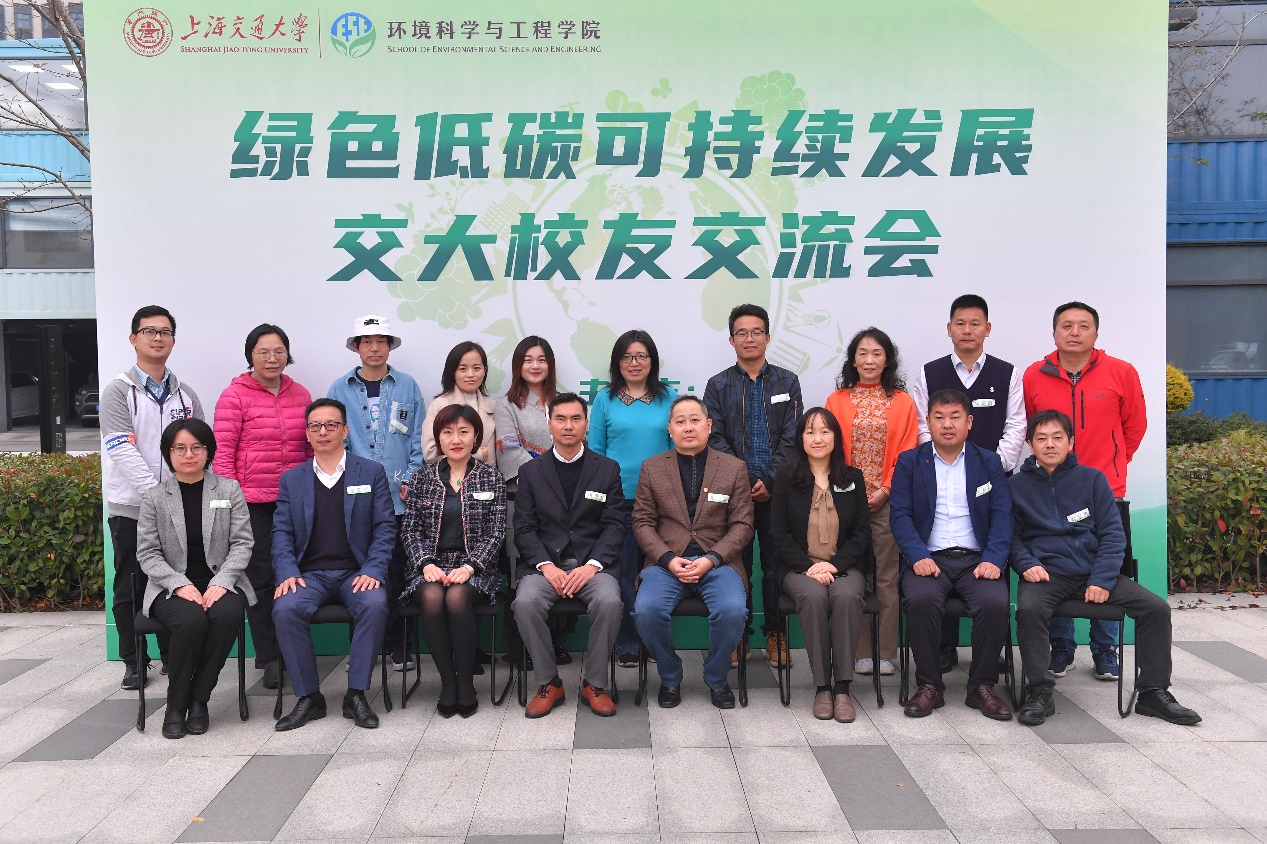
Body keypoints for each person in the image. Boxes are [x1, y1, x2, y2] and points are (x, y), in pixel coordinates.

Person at [1010, 410, 1200, 727]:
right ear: (1030, 444)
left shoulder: (1092, 480)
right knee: (1029, 610)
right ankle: (1039, 692)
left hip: (1093, 571)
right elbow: (1010, 537)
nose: (1050, 444)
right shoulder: (1016, 486)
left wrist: (1101, 579)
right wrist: (1026, 564)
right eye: (1041, 438)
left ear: (1070, 442)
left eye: (1057, 437)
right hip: (1046, 574)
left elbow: (1113, 535)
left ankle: (1153, 692)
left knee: (1156, 608)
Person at [1023, 301, 1146, 682]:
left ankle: (1105, 649)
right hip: (1051, 488)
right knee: (1054, 560)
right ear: (1054, 332)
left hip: (1105, 487)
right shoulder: (1034, 375)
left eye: (1083, 325)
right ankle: (1061, 647)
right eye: (1067, 326)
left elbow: (1135, 426)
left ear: (1096, 332)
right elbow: (1030, 427)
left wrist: (1112, 464)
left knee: (1104, 563)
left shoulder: (1121, 372)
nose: (1074, 332)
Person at [907, 294, 1025, 673]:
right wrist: (943, 463)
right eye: (960, 323)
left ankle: (990, 655)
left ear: (987, 329)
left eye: (975, 323)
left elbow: (1016, 426)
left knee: (988, 560)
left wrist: (987, 468)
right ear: (949, 329)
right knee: (941, 551)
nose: (968, 330)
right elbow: (922, 425)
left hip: (993, 482)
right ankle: (942, 649)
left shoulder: (1007, 373)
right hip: (939, 475)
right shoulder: (929, 373)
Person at [271, 399, 395, 731]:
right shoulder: (292, 479)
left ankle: (356, 694)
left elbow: (385, 528)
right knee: (285, 608)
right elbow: (281, 531)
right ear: (307, 433)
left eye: (331, 425)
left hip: (357, 572)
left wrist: (373, 569)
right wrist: (287, 572)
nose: (323, 432)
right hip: (309, 575)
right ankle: (309, 697)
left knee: (374, 604)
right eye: (315, 426)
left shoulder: (370, 472)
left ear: (345, 430)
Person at [890, 389, 1013, 720]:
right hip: (929, 558)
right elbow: (899, 515)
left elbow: (1003, 515)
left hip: (977, 560)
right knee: (921, 600)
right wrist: (917, 555)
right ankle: (929, 685)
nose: (947, 424)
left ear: (969, 422)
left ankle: (982, 687)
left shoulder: (988, 462)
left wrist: (993, 559)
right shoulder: (910, 462)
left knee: (994, 603)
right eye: (939, 418)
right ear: (928, 422)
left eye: (955, 417)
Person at [102, 305, 204, 690]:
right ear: (134, 339)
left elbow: (197, 447)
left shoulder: (186, 395)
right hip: (132, 508)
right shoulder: (118, 391)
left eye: (165, 332)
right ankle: (134, 660)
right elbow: (121, 448)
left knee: (173, 581)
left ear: (173, 341)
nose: (157, 338)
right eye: (149, 331)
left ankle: (171, 655)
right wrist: (159, 496)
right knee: (130, 583)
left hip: (178, 508)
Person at [633, 395, 754, 709]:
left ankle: (716, 677)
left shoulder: (733, 468)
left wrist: (711, 559)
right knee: (646, 611)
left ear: (709, 425)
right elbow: (642, 522)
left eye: (695, 420)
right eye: (680, 421)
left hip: (718, 563)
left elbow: (742, 525)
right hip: (666, 563)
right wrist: (668, 559)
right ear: (670, 429)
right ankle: (670, 676)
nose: (688, 427)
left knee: (732, 610)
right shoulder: (652, 468)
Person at [136, 418, 253, 739]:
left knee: (227, 615)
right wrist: (178, 583)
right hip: (170, 586)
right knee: (190, 622)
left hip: (221, 582)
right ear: (168, 453)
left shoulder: (228, 489)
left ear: (208, 451)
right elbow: (147, 553)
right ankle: (176, 706)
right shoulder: (155, 497)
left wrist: (222, 581)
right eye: (180, 448)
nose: (189, 455)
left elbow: (243, 543)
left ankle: (199, 700)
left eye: (196, 447)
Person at [512, 393, 625, 718]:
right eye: (560, 419)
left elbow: (615, 525)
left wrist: (592, 566)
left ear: (586, 424)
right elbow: (524, 528)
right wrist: (546, 566)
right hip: (545, 566)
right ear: (549, 424)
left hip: (593, 565)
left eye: (576, 419)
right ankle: (549, 683)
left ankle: (594, 683)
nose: (568, 426)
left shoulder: (607, 469)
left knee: (609, 602)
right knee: (525, 603)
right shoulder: (531, 472)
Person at [213, 323, 312, 690]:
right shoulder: (234, 396)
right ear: (250, 356)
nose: (272, 358)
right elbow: (223, 454)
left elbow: (310, 448)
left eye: (279, 351)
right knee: (261, 579)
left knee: (295, 575)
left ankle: (293, 651)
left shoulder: (301, 394)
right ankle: (269, 656)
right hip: (251, 503)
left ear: (288, 354)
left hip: (294, 500)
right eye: (263, 352)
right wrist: (230, 502)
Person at [704, 303, 804, 668]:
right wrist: (744, 482)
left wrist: (771, 480)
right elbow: (715, 438)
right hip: (734, 495)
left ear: (767, 336)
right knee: (736, 565)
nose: (750, 338)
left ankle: (776, 635)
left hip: (779, 493)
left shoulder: (787, 382)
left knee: (776, 567)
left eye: (756, 331)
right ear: (731, 339)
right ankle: (739, 636)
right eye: (742, 332)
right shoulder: (718, 385)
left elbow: (793, 437)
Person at [326, 315, 424, 672]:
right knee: (358, 573)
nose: (374, 348)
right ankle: (363, 647)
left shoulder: (407, 385)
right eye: (366, 341)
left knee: (398, 572)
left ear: (390, 346)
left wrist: (411, 478)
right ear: (356, 347)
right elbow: (334, 441)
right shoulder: (339, 388)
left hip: (400, 497)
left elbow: (418, 438)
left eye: (381, 341)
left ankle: (399, 646)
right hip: (355, 498)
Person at [823, 327, 919, 678]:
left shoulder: (903, 402)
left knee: (886, 577)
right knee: (850, 577)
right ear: (852, 360)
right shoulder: (837, 400)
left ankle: (885, 652)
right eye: (862, 353)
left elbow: (908, 450)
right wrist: (849, 490)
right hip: (843, 501)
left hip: (886, 501)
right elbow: (827, 448)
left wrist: (886, 490)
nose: (869, 360)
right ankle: (857, 651)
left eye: (877, 353)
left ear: (887, 360)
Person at [401, 403, 506, 718]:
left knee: (457, 597)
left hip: (476, 566)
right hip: (429, 564)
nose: (456, 439)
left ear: (476, 437)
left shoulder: (491, 477)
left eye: (463, 431)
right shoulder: (422, 478)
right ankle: (448, 683)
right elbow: (410, 530)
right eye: (447, 432)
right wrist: (426, 564)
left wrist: (470, 566)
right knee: (433, 596)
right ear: (438, 438)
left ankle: (465, 683)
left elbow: (496, 532)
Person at [770, 408, 871, 722]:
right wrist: (808, 567)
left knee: (847, 596)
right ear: (800, 438)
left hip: (843, 566)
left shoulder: (852, 478)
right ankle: (822, 687)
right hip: (800, 568)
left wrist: (834, 565)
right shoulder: (786, 478)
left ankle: (842, 688)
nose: (817, 438)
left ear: (836, 437)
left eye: (825, 431)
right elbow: (779, 532)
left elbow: (861, 532)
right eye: (810, 431)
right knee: (813, 597)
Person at [590, 330, 677, 668]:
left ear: (652, 361)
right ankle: (627, 643)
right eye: (627, 357)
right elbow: (596, 453)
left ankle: (655, 642)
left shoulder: (668, 397)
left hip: (661, 503)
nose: (634, 363)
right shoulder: (604, 400)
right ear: (617, 363)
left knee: (659, 573)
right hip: (619, 501)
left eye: (641, 356)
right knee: (624, 573)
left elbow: (677, 450)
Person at [422, 341, 496, 464]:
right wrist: (476, 455)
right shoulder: (440, 405)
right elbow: (430, 453)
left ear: (485, 370)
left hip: (489, 476)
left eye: (476, 368)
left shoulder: (494, 407)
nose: (470, 374)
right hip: (451, 475)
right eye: (463, 369)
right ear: (453, 372)